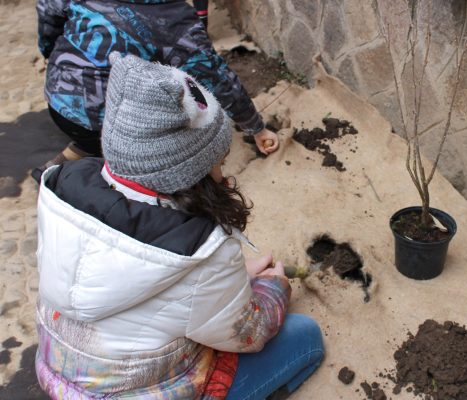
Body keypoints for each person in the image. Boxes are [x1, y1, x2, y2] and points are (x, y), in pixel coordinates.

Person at [35, 52, 324, 400]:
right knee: (305, 337)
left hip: (61, 379)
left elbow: (164, 294)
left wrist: (235, 277)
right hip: (146, 392)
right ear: (189, 173)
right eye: (219, 162)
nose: (224, 172)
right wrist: (273, 288)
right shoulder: (196, 247)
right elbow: (247, 333)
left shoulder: (63, 191)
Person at [34, 0, 279, 180]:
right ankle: (68, 177)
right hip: (104, 120)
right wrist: (256, 127)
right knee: (142, 148)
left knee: (87, 136)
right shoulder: (174, 22)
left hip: (56, 95)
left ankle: (58, 165)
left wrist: (50, 50)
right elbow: (217, 78)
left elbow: (48, 10)